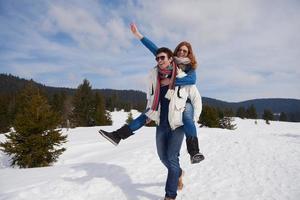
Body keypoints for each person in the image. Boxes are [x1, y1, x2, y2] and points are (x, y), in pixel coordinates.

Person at [99, 24, 204, 164]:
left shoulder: (189, 67)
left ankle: (194, 152)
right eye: (180, 49)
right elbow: (154, 48)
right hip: (165, 101)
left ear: (189, 53)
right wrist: (138, 35)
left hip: (183, 102)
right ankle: (117, 136)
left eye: (185, 51)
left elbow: (192, 80)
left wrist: (171, 82)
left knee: (187, 118)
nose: (182, 52)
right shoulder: (168, 60)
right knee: (146, 115)